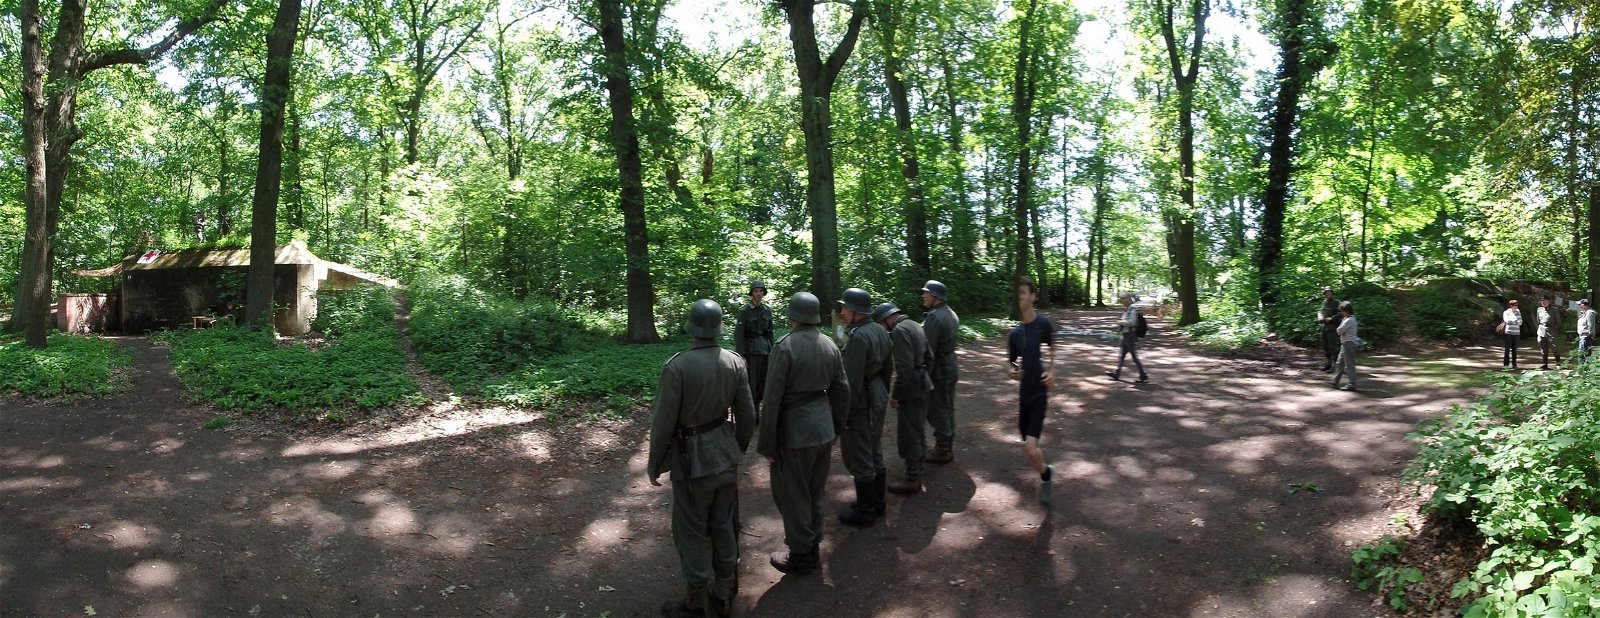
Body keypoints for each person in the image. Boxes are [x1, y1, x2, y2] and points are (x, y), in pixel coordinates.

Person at [647, 300, 757, 617]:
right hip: (725, 454)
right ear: (719, 328)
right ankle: (723, 594)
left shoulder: (677, 367)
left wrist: (655, 465)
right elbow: (748, 414)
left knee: (692, 530)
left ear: (691, 329)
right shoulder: (735, 361)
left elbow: (663, 423)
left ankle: (695, 602)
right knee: (723, 524)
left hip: (691, 462)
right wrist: (736, 448)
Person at [757, 292, 850, 574]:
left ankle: (801, 554)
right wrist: (837, 426)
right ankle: (812, 545)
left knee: (793, 493)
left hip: (795, 432)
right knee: (814, 490)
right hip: (823, 429)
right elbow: (842, 389)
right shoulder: (829, 344)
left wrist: (767, 444)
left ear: (793, 316)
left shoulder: (785, 346)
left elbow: (772, 398)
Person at [835, 288, 892, 527]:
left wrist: (845, 417)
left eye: (845, 308)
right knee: (874, 448)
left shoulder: (858, 337)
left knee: (860, 453)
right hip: (877, 394)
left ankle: (866, 510)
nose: (842, 312)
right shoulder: (880, 330)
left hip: (862, 401)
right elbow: (888, 367)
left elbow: (852, 381)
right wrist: (883, 392)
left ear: (856, 311)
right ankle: (878, 503)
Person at [1006, 278, 1058, 504]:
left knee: (1029, 448)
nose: (1021, 297)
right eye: (1018, 293)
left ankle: (1046, 477)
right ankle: (1046, 468)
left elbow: (1053, 347)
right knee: (1031, 448)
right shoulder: (1015, 334)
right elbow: (1010, 362)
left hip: (1039, 393)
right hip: (1024, 395)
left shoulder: (1043, 324)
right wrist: (1012, 370)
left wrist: (1052, 371)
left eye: (1024, 292)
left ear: (1033, 296)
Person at [874, 302, 932, 494]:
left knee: (909, 434)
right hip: (923, 382)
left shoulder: (899, 331)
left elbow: (904, 368)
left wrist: (896, 395)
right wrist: (925, 377)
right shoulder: (915, 324)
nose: (883, 329)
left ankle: (912, 478)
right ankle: (918, 468)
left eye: (881, 324)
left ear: (886, 319)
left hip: (911, 387)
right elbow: (929, 356)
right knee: (918, 429)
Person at [920, 280, 961, 464]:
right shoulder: (950, 312)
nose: (923, 295)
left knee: (937, 409)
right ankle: (946, 444)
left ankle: (943, 450)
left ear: (935, 296)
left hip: (939, 370)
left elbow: (928, 352)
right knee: (947, 406)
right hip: (950, 365)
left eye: (926, 293)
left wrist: (923, 376)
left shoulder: (935, 317)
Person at [734, 280, 774, 414]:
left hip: (765, 351)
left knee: (763, 384)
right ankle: (752, 412)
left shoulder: (767, 311)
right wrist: (742, 356)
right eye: (756, 291)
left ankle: (758, 409)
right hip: (751, 352)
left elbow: (770, 333)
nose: (758, 294)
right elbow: (739, 335)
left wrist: (772, 350)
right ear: (751, 293)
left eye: (761, 291)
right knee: (752, 384)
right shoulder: (744, 311)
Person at [1105, 292, 1148, 383]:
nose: (1120, 300)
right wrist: (1120, 327)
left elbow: (1132, 322)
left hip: (1130, 335)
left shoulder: (1132, 309)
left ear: (1127, 298)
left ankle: (1143, 374)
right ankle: (1117, 373)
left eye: (1122, 298)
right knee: (1122, 355)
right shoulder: (1128, 308)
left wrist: (1121, 322)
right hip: (1126, 334)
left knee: (1134, 356)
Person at [1330, 301, 1359, 391]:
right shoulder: (1349, 319)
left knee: (1349, 365)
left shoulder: (1348, 320)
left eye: (1342, 311)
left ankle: (1352, 384)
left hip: (1349, 344)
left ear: (1346, 311)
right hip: (1345, 343)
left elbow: (1339, 331)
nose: (1341, 313)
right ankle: (1335, 381)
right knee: (1339, 363)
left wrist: (1341, 329)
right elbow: (1341, 331)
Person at [1317, 287, 1340, 372]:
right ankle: (1328, 363)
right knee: (1325, 346)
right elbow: (1320, 311)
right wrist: (1320, 317)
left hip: (1332, 327)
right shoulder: (1324, 302)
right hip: (1324, 327)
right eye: (1326, 292)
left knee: (1333, 347)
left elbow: (1341, 313)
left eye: (1330, 292)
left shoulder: (1337, 302)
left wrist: (1331, 318)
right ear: (1324, 294)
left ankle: (1336, 366)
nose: (1328, 293)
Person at [1537, 295, 1562, 370]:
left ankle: (1558, 363)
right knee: (1543, 347)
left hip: (1551, 330)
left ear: (1548, 301)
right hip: (1541, 330)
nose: (1543, 302)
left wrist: (1554, 329)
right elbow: (1538, 320)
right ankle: (1544, 364)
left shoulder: (1554, 310)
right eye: (1542, 301)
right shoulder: (1539, 310)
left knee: (1554, 347)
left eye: (1545, 301)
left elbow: (1558, 322)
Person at [1501, 299, 1522, 369]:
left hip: (1516, 333)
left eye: (1517, 305)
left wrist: (1513, 320)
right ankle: (1506, 364)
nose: (1516, 307)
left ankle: (1514, 364)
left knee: (1514, 349)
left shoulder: (1518, 312)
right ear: (1511, 306)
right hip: (1508, 332)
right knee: (1507, 349)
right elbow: (1507, 320)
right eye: (1515, 305)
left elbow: (1520, 322)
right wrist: (1515, 320)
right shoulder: (1506, 312)